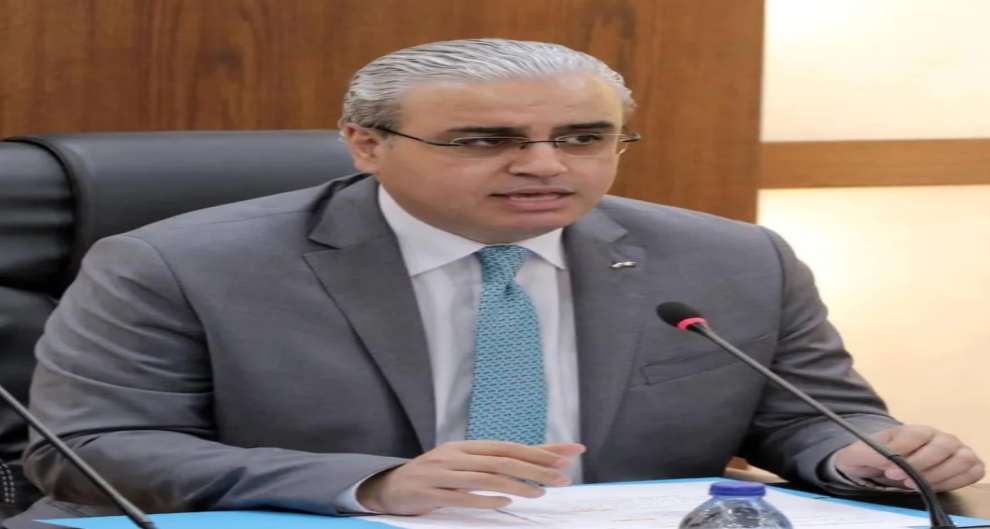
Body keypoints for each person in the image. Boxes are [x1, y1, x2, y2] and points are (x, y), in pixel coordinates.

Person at [6, 39, 983, 527]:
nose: (546, 165)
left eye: (584, 137)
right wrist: (371, 483)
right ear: (365, 144)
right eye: (487, 140)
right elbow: (88, 453)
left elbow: (806, 420)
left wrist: (860, 457)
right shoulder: (177, 263)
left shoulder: (731, 260)